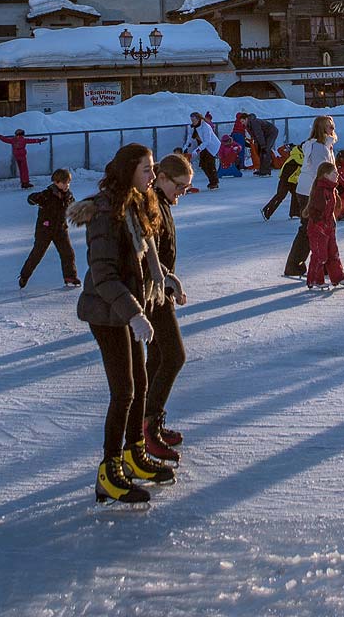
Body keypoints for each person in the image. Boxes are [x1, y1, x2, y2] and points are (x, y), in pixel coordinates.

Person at [67, 143, 177, 507]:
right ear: (128, 170)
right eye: (146, 169)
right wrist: (133, 313)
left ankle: (134, 454)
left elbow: (144, 254)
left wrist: (165, 278)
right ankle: (108, 470)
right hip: (107, 312)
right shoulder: (105, 212)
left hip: (126, 308)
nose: (152, 175)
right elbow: (104, 274)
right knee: (124, 391)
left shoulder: (135, 203)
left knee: (140, 383)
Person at [142, 152, 193, 462]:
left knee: (159, 357)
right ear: (161, 179)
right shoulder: (151, 205)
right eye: (180, 186)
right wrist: (166, 279)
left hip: (161, 290)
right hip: (152, 293)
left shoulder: (162, 202)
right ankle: (148, 427)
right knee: (174, 356)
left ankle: (146, 423)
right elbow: (146, 252)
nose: (183, 193)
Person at [283, 117, 338, 278]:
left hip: (311, 191)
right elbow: (321, 173)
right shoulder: (318, 147)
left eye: (333, 125)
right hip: (312, 193)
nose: (332, 128)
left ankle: (321, 265)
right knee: (313, 229)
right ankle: (296, 265)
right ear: (321, 128)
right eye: (329, 126)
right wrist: (327, 193)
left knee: (319, 228)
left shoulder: (323, 145)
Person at [19, 168, 80, 289]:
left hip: (61, 229)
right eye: (64, 182)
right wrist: (34, 198)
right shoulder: (47, 194)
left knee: (68, 253)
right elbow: (31, 199)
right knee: (37, 254)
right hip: (44, 230)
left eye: (68, 182)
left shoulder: (68, 196)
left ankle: (70, 277)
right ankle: (24, 276)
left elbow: (74, 207)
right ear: (56, 182)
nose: (67, 185)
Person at [304, 161, 344, 291]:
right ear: (325, 175)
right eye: (333, 173)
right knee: (320, 255)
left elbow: (330, 209)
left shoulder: (331, 189)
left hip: (329, 227)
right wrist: (320, 225)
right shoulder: (321, 190)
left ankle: (338, 277)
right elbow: (314, 211)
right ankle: (315, 280)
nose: (337, 175)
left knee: (333, 253)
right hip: (318, 229)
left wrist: (332, 221)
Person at [183, 113, 221, 190]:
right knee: (203, 165)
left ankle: (214, 182)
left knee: (209, 164)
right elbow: (189, 138)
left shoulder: (206, 127)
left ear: (199, 119)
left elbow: (207, 141)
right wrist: (185, 147)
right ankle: (212, 180)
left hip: (211, 146)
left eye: (194, 120)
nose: (192, 121)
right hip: (202, 146)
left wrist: (196, 151)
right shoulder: (192, 127)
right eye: (191, 120)